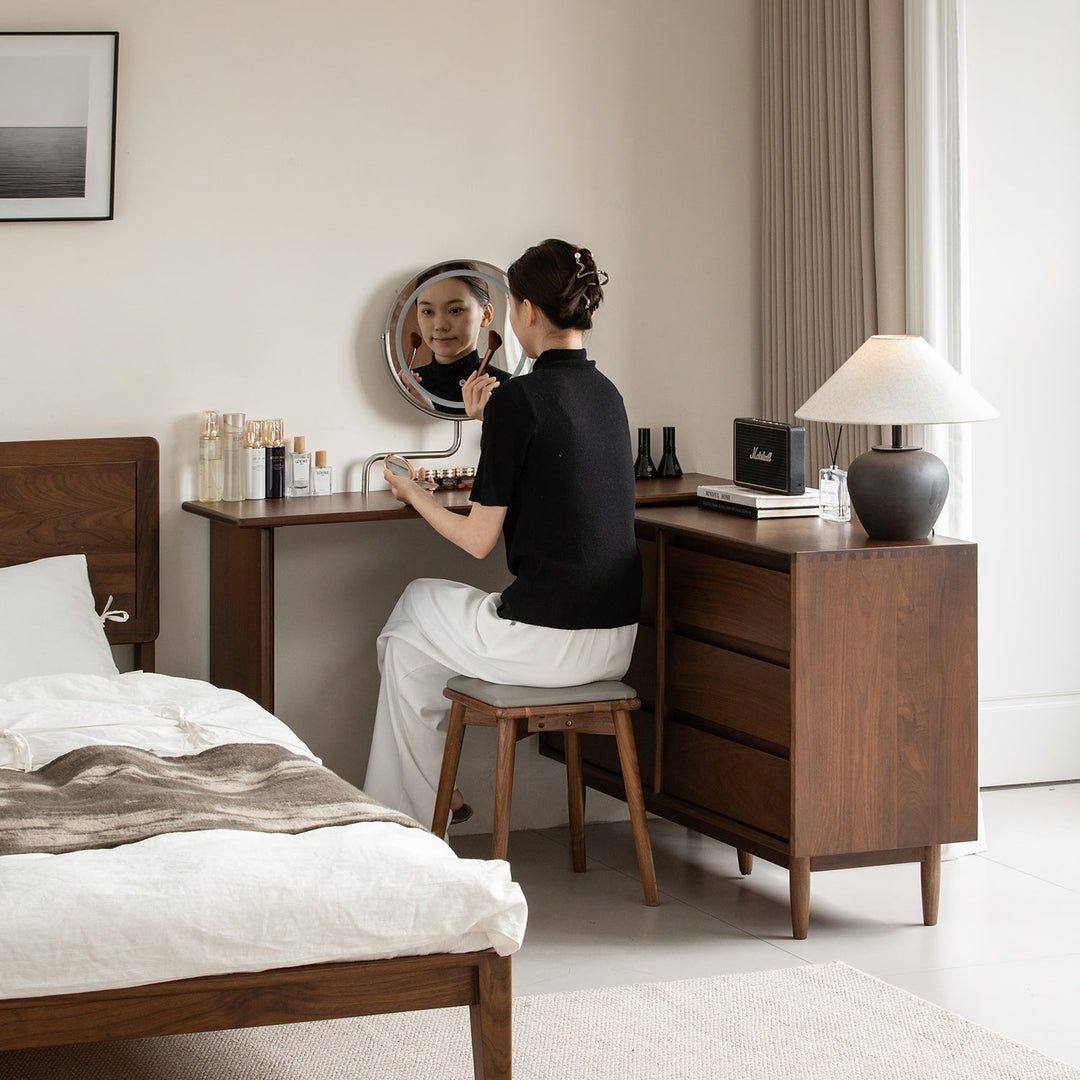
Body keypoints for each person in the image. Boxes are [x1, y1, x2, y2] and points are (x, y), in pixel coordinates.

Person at [363, 239, 641, 829]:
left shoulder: (520, 398)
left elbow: (477, 540)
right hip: (616, 640)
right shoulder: (608, 394)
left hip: (548, 643)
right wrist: (493, 425)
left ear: (526, 311)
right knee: (409, 654)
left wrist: (414, 493)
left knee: (414, 600)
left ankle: (403, 827)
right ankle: (434, 805)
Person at [406, 266, 511, 409]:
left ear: (486, 315)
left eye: (455, 310)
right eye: (428, 312)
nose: (440, 325)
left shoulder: (506, 387)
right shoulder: (406, 387)